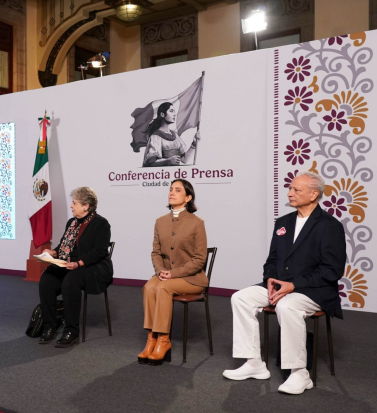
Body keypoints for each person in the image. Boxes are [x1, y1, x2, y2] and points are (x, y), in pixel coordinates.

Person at [223, 171, 345, 395]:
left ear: (313, 194)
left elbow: (331, 271)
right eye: (290, 189)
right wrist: (269, 279)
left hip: (313, 290)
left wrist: (293, 285)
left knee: (287, 306)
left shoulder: (330, 226)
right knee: (240, 298)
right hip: (280, 285)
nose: (290, 193)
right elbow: (272, 260)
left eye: (296, 190)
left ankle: (300, 373)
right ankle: (253, 363)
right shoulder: (283, 222)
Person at [139, 179, 208, 365]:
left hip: (191, 278)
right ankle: (151, 339)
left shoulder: (196, 223)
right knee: (149, 287)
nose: (171, 192)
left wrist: (173, 274)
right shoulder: (160, 221)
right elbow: (156, 252)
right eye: (170, 189)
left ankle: (163, 340)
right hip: (165, 274)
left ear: (188, 198)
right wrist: (161, 270)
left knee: (162, 288)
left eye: (177, 190)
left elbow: (200, 259)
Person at [38, 187, 113, 348]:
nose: (71, 206)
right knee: (47, 280)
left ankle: (71, 330)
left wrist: (79, 263)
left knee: (70, 282)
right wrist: (53, 252)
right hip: (70, 263)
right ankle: (49, 325)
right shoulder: (71, 223)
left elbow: (99, 252)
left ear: (86, 206)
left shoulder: (101, 223)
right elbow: (65, 246)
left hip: (93, 267)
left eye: (74, 203)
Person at [142, 102, 199, 167]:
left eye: (174, 111)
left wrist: (194, 143)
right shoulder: (155, 136)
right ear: (162, 114)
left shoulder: (175, 135)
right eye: (171, 111)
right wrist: (168, 161)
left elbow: (184, 160)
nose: (174, 114)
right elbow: (151, 162)